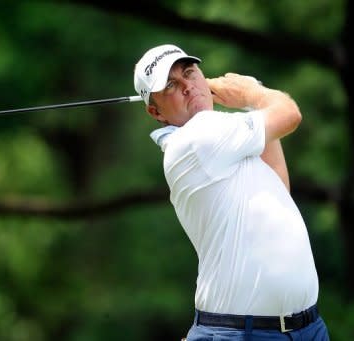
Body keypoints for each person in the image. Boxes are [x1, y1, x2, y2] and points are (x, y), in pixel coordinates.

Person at [133, 44, 330, 340]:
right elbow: (290, 115)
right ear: (155, 112)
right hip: (240, 332)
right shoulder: (197, 138)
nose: (187, 86)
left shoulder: (225, 145)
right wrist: (253, 93)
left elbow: (278, 187)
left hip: (306, 328)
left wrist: (252, 103)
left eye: (190, 73)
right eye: (171, 85)